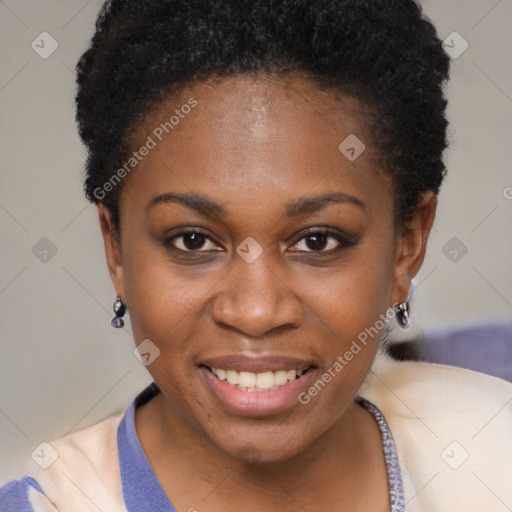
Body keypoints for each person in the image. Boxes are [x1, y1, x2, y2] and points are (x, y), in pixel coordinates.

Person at [1, 0, 511, 510]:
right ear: (116, 250)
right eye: (193, 240)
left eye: (317, 240)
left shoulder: (493, 458)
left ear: (407, 247)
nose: (256, 311)